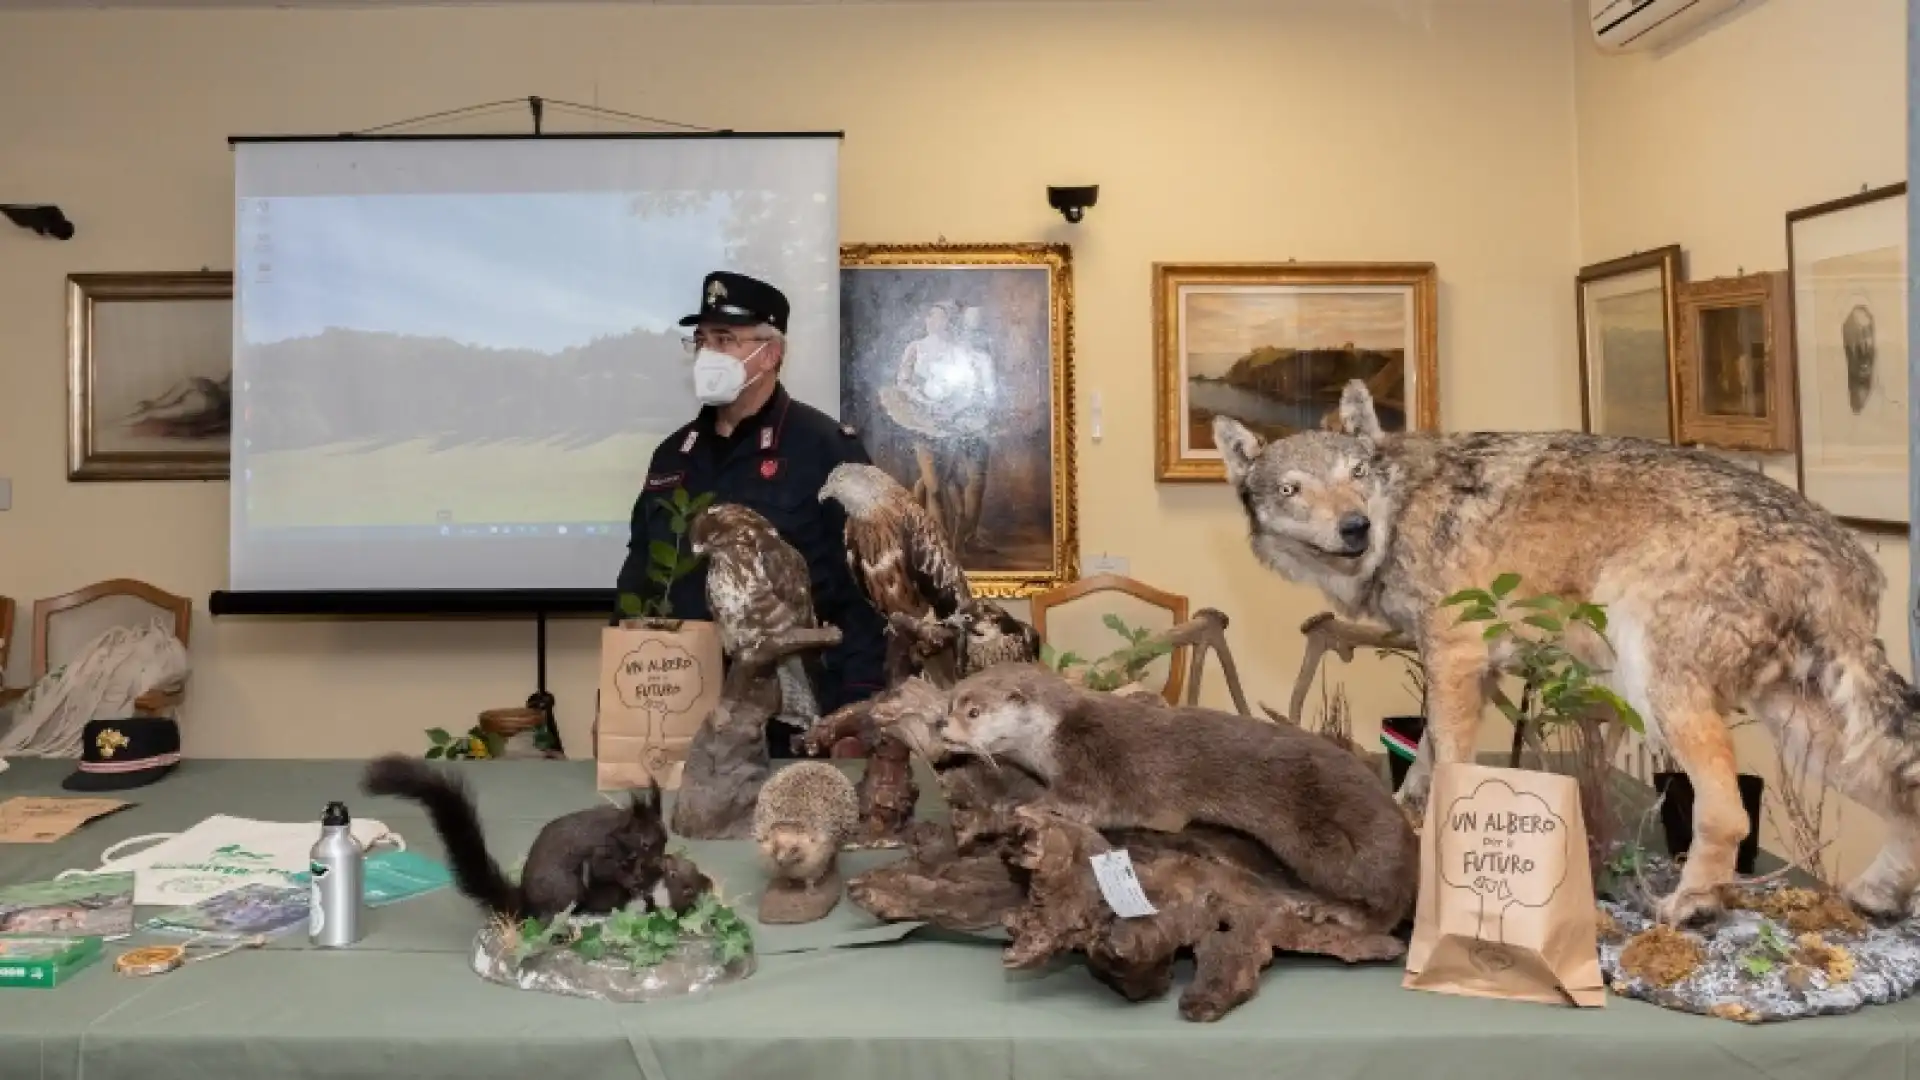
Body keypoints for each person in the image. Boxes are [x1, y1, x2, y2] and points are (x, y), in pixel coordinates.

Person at [613, 271, 888, 755]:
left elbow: (862, 597)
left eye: (726, 339)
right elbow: (638, 582)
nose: (708, 354)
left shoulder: (824, 450)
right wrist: (616, 701)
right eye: (701, 340)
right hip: (677, 711)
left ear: (772, 352)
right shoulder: (673, 455)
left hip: (791, 717)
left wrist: (857, 709)